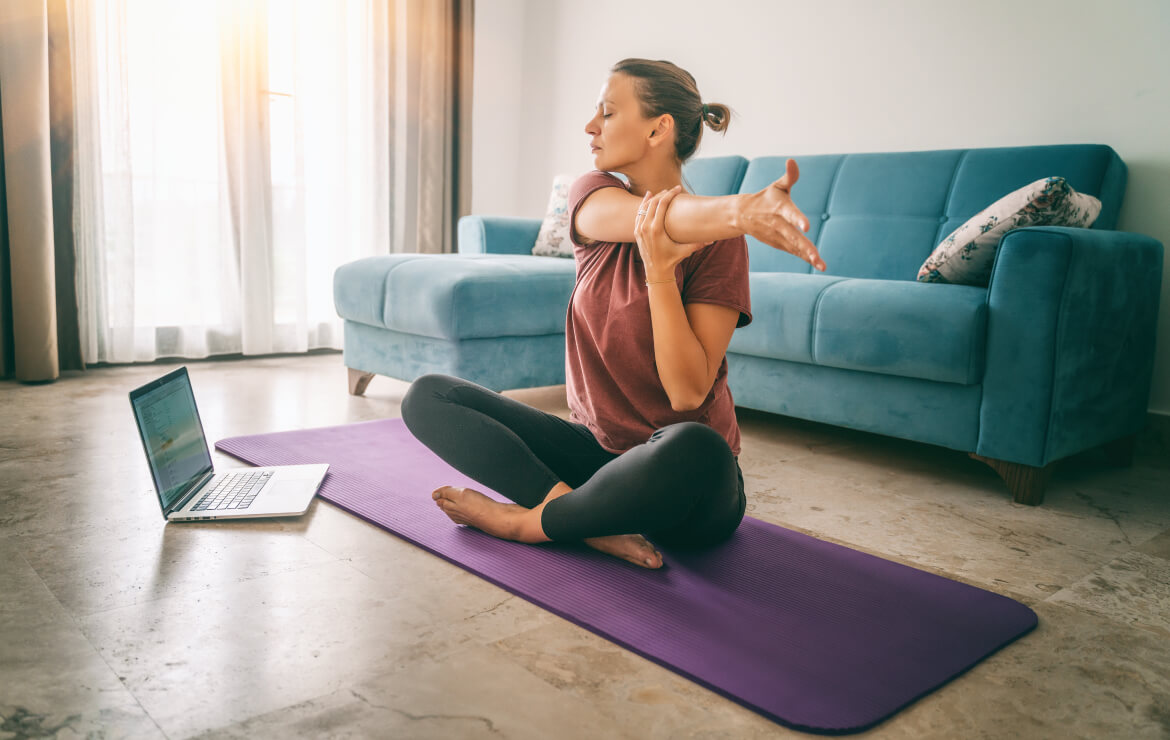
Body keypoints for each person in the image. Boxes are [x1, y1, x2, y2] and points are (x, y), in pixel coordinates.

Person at [401, 58, 825, 569]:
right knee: (429, 395)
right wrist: (740, 211)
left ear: (657, 128)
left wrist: (662, 275)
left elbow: (688, 392)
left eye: (607, 112)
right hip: (596, 457)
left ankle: (528, 523)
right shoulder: (593, 194)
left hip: (682, 483)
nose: (590, 126)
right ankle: (577, 516)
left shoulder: (720, 247)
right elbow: (657, 218)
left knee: (695, 445)